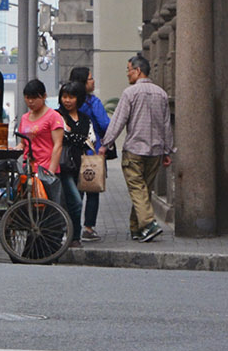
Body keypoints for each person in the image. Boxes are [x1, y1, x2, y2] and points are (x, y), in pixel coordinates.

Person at [97, 54, 173, 242]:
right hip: (155, 150)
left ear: (138, 71)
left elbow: (118, 121)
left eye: (129, 70)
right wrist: (167, 150)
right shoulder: (161, 93)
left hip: (134, 150)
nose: (127, 75)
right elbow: (166, 124)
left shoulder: (129, 93)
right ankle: (136, 229)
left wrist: (105, 144)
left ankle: (148, 223)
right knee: (143, 189)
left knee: (137, 188)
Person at [67, 66, 111, 241]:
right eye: (90, 78)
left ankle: (72, 226)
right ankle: (88, 228)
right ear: (83, 82)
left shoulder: (67, 102)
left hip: (71, 154)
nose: (93, 81)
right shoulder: (93, 103)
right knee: (92, 190)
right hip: (92, 152)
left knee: (74, 192)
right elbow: (105, 124)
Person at [53, 81, 93, 244]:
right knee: (75, 202)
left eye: (71, 97)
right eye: (64, 96)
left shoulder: (85, 118)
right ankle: (73, 237)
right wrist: (75, 138)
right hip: (63, 166)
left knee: (75, 203)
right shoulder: (57, 116)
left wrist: (73, 137)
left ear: (79, 99)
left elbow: (90, 140)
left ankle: (72, 236)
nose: (67, 100)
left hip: (80, 166)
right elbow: (63, 137)